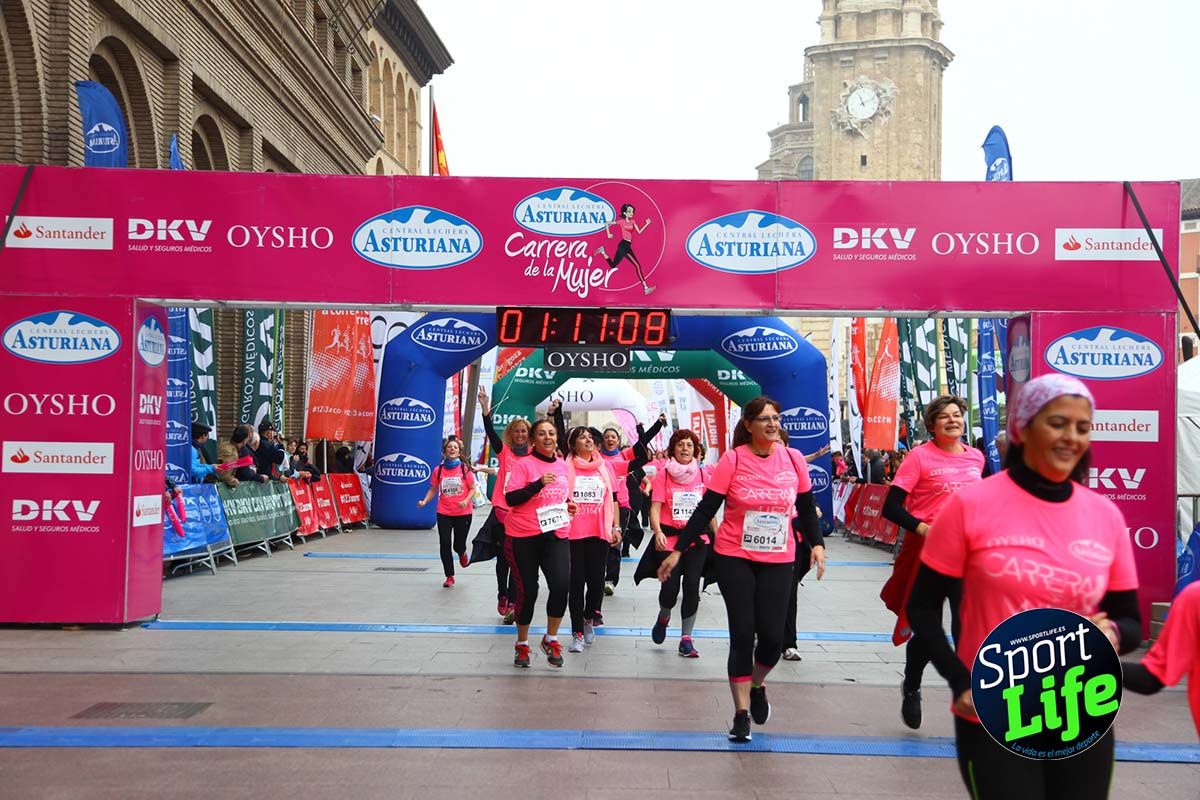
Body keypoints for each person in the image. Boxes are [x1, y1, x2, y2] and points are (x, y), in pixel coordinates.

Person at [906, 374, 1141, 799]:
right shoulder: (970, 505)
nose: (1071, 437)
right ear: (1023, 428)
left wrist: (1114, 633)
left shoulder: (1103, 515)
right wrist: (961, 681)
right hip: (996, 706)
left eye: (1082, 427)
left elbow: (1131, 620)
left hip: (1082, 703)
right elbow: (922, 608)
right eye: (1057, 423)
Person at [658, 396, 826, 742]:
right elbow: (706, 509)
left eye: (775, 418)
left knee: (772, 638)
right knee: (742, 633)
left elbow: (807, 508)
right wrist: (677, 551)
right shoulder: (733, 460)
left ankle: (758, 683)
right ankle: (740, 713)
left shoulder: (793, 459)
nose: (772, 424)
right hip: (734, 554)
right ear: (748, 425)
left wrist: (818, 545)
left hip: (780, 557)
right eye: (764, 419)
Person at [878, 396, 983, 729]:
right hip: (927, 553)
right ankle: (912, 684)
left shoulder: (976, 458)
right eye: (945, 417)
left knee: (965, 627)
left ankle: (965, 695)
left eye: (957, 415)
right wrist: (925, 528)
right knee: (927, 630)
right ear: (932, 425)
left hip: (966, 553)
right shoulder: (919, 457)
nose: (953, 420)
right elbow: (891, 507)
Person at [503, 418, 573, 668]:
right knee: (528, 592)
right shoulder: (522, 464)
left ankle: (550, 638)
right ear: (533, 439)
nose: (547, 437)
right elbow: (510, 498)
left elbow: (563, 496)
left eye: (551, 433)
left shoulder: (564, 465)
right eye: (541, 434)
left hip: (556, 533)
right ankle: (522, 644)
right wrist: (537, 484)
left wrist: (568, 506)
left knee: (561, 585)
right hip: (524, 535)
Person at [640, 428, 713, 658]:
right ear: (673, 449)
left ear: (696, 451)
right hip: (669, 540)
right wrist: (658, 531)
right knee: (670, 590)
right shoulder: (663, 474)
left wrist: (718, 538)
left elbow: (710, 512)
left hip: (696, 540)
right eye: (680, 445)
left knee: (692, 586)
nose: (685, 449)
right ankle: (664, 616)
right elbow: (655, 507)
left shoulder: (703, 476)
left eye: (689, 445)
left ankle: (686, 639)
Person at [477, 388, 537, 622]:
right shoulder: (505, 453)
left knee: (519, 560)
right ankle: (503, 594)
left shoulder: (535, 455)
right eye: (517, 431)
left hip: (524, 514)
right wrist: (484, 409)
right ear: (511, 434)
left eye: (524, 431)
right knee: (504, 558)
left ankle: (513, 601)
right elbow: (491, 433)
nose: (521, 434)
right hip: (502, 513)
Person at [564, 426, 621, 653]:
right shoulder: (565, 467)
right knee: (576, 582)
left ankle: (589, 618)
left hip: (599, 531)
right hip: (573, 532)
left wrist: (616, 526)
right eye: (582, 437)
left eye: (589, 437)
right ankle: (577, 632)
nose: (588, 440)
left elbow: (614, 499)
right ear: (573, 444)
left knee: (596, 582)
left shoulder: (604, 467)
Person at [1122, 580, 1200, 738]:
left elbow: (1151, 678)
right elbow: (1152, 676)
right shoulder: (1194, 598)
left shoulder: (1195, 597)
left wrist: (1097, 662)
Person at [601, 415, 665, 597]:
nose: (610, 439)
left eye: (613, 437)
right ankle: (598, 575)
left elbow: (642, 446)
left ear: (618, 441)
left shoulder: (624, 456)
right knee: (601, 544)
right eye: (607, 437)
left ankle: (610, 580)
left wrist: (652, 427)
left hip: (621, 505)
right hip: (601, 507)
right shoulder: (596, 458)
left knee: (615, 543)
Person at [417, 438, 476, 588]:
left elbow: (472, 488)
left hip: (463, 512)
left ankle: (462, 552)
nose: (452, 449)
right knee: (444, 543)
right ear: (444, 451)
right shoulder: (439, 470)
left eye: (455, 447)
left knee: (458, 545)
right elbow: (433, 489)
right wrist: (424, 501)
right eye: (449, 447)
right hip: (444, 512)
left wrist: (466, 500)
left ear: (459, 451)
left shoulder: (465, 469)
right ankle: (449, 575)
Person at [595, 202, 655, 295]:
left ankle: (603, 252)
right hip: (624, 246)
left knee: (613, 265)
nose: (632, 213)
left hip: (626, 245)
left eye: (632, 211)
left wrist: (646, 224)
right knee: (637, 266)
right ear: (624, 213)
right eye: (629, 211)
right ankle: (646, 288)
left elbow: (639, 232)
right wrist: (608, 234)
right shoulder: (621, 222)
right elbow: (607, 223)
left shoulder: (633, 222)